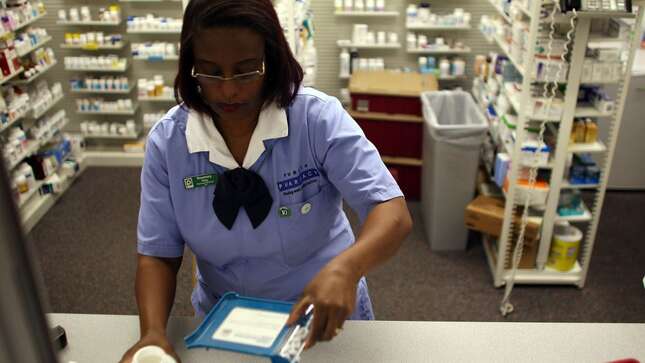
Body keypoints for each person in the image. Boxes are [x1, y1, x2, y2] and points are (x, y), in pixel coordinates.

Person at [120, 0, 412, 361]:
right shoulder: (169, 142)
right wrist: (152, 334)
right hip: (227, 325)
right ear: (190, 66)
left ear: (271, 60)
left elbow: (391, 210)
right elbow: (158, 253)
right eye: (210, 72)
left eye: (245, 71)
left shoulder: (316, 119)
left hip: (322, 319)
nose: (228, 91)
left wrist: (347, 268)